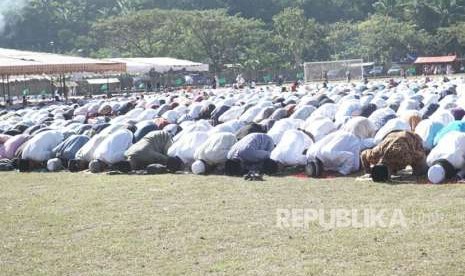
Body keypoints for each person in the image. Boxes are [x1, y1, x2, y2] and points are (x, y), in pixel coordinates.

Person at [361, 131, 427, 182]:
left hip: (413, 137)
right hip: (392, 136)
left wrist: (415, 173)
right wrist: (368, 171)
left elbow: (419, 156)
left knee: (422, 170)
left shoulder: (403, 158)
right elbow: (363, 154)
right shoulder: (375, 155)